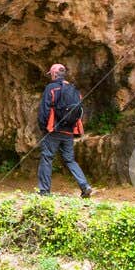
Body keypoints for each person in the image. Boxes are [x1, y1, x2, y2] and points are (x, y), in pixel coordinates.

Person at [37, 63, 94, 198]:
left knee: (47, 158)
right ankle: (85, 186)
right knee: (70, 160)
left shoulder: (51, 88)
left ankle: (44, 191)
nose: (50, 75)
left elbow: (44, 111)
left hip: (53, 130)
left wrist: (43, 128)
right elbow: (79, 111)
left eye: (51, 73)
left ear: (54, 74)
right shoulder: (73, 90)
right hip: (69, 131)